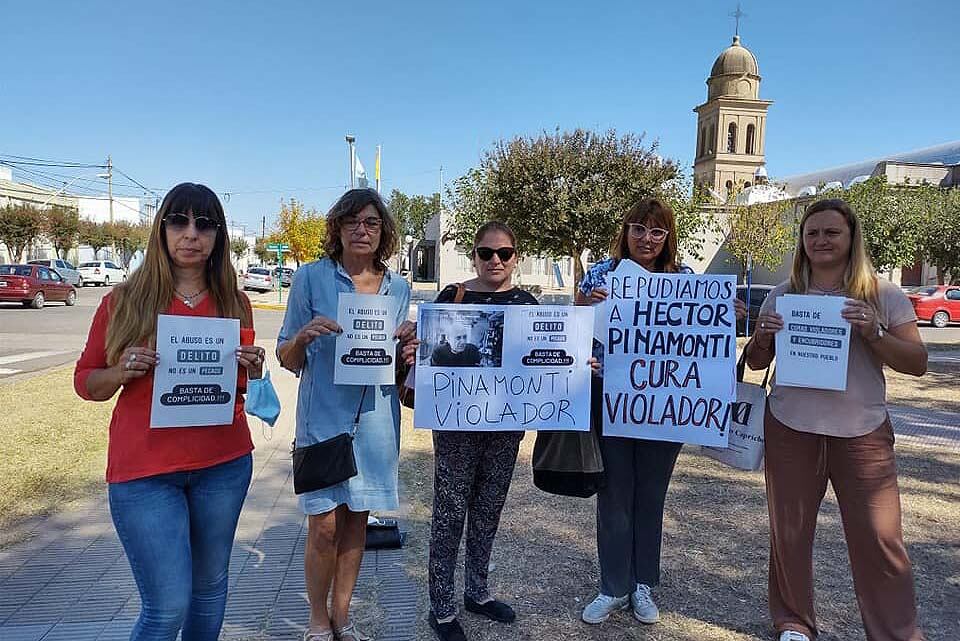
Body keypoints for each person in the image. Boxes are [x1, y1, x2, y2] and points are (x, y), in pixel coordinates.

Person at [74, 182, 266, 641]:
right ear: (161, 230)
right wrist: (121, 370)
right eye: (178, 221)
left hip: (222, 465)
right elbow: (86, 382)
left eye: (205, 224)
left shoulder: (235, 303)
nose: (191, 234)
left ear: (218, 236)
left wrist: (254, 368)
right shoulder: (122, 301)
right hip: (145, 473)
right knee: (167, 605)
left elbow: (237, 390)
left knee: (210, 590)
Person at [745, 198, 927, 641]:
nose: (821, 241)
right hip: (790, 428)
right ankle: (793, 622)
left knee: (880, 540)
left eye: (831, 232)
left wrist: (873, 332)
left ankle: (896, 631)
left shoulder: (882, 295)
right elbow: (753, 362)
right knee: (789, 534)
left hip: (861, 433)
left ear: (851, 238)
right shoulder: (783, 294)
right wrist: (763, 337)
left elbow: (917, 362)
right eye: (812, 233)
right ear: (802, 241)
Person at [575, 197, 746, 627]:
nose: (646, 239)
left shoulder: (684, 280)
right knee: (614, 495)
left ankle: (642, 584)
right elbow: (576, 332)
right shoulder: (601, 273)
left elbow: (703, 340)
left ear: (668, 237)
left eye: (656, 231)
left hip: (664, 408)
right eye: (638, 228)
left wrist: (727, 314)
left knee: (651, 495)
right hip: (610, 399)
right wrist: (583, 309)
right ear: (625, 231)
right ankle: (612, 586)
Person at [277, 188, 416, 641]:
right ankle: (317, 621)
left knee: (357, 521)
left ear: (384, 232)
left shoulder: (399, 288)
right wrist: (302, 338)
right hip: (322, 420)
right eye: (352, 221)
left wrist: (407, 353)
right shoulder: (310, 279)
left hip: (376, 422)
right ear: (336, 228)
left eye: (372, 223)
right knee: (324, 526)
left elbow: (393, 368)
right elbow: (286, 358)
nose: (362, 230)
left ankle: (342, 616)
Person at [426, 221, 538, 641]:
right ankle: (441, 607)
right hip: (456, 429)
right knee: (450, 514)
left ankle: (477, 591)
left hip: (505, 429)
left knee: (488, 511)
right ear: (474, 255)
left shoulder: (527, 304)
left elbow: (546, 360)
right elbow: (431, 357)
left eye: (504, 253)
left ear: (515, 257)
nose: (495, 260)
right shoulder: (452, 297)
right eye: (487, 253)